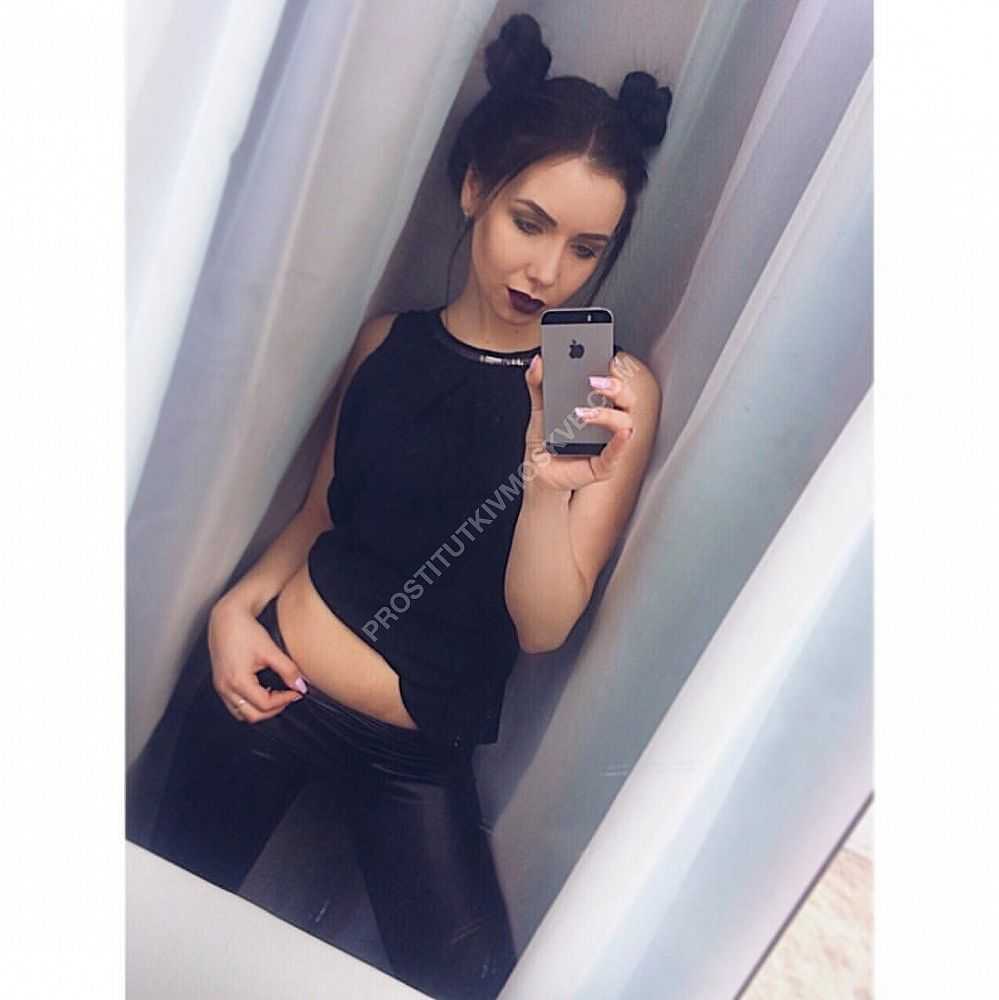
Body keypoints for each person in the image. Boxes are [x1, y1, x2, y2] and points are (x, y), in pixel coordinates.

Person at [147, 13, 671, 1000]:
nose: (547, 272)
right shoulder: (385, 341)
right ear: (474, 191)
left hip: (415, 756)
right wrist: (232, 611)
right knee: (139, 926)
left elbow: (542, 624)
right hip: (272, 684)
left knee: (472, 984)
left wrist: (543, 481)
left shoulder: (605, 392)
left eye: (585, 248)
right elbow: (320, 515)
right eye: (529, 223)